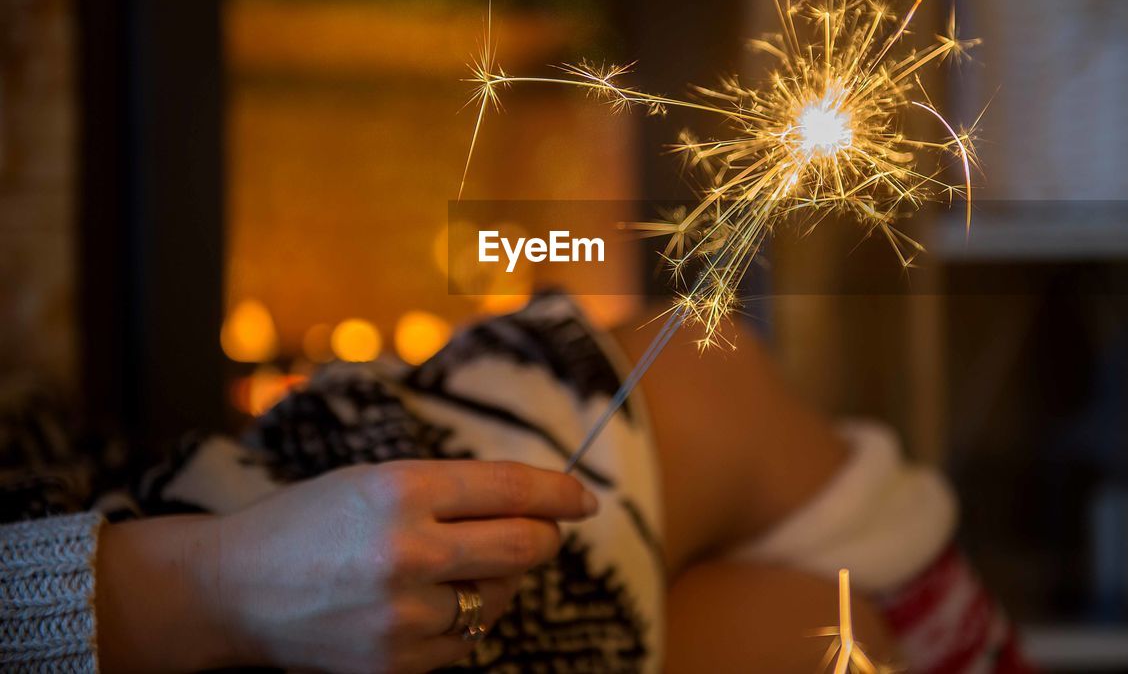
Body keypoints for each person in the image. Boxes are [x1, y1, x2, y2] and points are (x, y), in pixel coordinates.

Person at [1, 293, 1028, 672]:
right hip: (136, 608)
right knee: (803, 629)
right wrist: (200, 588)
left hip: (81, 513)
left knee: (814, 621)